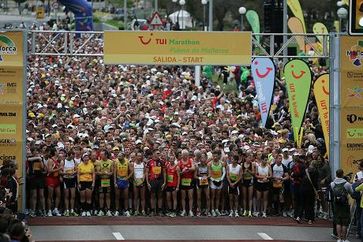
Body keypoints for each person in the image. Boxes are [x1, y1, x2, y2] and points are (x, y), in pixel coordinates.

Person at [331, 169, 353, 242]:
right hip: (344, 204)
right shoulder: (346, 184)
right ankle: (344, 239)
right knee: (344, 222)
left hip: (336, 204)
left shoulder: (332, 183)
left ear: (336, 174)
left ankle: (339, 238)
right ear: (343, 174)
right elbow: (351, 192)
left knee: (338, 221)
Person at [26, 148, 46, 217]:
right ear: (33, 152)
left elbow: (43, 167)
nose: (37, 153)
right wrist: (38, 157)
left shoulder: (41, 159)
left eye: (37, 152)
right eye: (35, 152)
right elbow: (28, 159)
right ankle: (33, 211)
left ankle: (42, 210)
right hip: (32, 178)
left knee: (41, 195)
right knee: (33, 195)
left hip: (40, 178)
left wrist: (40, 160)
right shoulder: (30, 158)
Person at [146, 149, 165, 216]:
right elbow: (147, 172)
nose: (158, 154)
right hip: (152, 181)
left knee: (160, 196)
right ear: (153, 153)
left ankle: (159, 211)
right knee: (152, 196)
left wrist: (164, 182)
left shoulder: (162, 162)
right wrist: (147, 183)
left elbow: (164, 172)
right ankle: (152, 210)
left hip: (160, 181)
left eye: (159, 153)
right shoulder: (149, 162)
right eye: (157, 153)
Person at [114, 151, 133, 216]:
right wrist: (115, 182)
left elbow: (132, 171)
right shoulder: (116, 162)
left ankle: (126, 210)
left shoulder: (127, 162)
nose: (118, 157)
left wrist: (127, 178)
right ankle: (117, 210)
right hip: (118, 180)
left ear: (123, 156)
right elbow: (114, 172)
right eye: (118, 156)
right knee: (117, 196)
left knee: (126, 196)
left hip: (125, 181)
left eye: (120, 156)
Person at [95, 150, 113, 216]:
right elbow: (97, 172)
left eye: (102, 154)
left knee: (108, 195)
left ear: (106, 155)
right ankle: (101, 210)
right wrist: (103, 173)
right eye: (100, 154)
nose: (101, 156)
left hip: (108, 180)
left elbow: (112, 172)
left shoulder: (111, 162)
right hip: (101, 180)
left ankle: (108, 210)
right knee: (101, 195)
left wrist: (108, 173)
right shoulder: (99, 162)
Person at [209, 149, 226, 217]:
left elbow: (224, 172)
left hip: (220, 181)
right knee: (213, 196)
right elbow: (209, 174)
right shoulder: (210, 164)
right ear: (212, 156)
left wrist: (221, 179)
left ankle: (216, 209)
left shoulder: (222, 163)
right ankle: (212, 210)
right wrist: (213, 180)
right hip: (213, 182)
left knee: (218, 196)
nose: (215, 157)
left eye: (216, 156)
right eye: (214, 156)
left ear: (219, 156)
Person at [61, 150, 78, 216]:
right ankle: (67, 210)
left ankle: (72, 210)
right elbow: (60, 172)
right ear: (69, 155)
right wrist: (66, 173)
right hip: (66, 180)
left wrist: (74, 172)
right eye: (72, 155)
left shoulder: (74, 161)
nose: (73, 156)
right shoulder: (63, 161)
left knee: (73, 196)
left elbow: (76, 170)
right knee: (67, 196)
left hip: (72, 180)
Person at [178, 149, 195, 217]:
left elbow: (193, 168)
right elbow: (178, 173)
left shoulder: (190, 160)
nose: (185, 156)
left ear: (188, 155)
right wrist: (182, 172)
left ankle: (190, 211)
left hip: (190, 181)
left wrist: (188, 169)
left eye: (186, 155)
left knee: (190, 196)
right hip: (183, 181)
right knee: (183, 197)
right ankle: (184, 210)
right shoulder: (179, 162)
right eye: (183, 155)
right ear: (181, 155)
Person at [45, 147, 61, 216]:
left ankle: (56, 209)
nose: (58, 152)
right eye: (57, 151)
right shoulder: (50, 160)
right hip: (50, 178)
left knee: (58, 195)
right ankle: (49, 210)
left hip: (56, 178)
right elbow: (49, 170)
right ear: (54, 152)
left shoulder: (58, 160)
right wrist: (59, 169)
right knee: (50, 196)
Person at [164, 152, 180, 217]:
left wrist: (178, 186)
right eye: (170, 159)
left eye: (173, 159)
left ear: (174, 160)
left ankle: (174, 211)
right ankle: (170, 210)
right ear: (169, 160)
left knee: (174, 198)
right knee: (168, 198)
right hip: (168, 184)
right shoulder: (167, 166)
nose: (171, 160)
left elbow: (179, 177)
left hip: (174, 185)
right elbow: (166, 175)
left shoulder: (177, 167)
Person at [195, 152, 210, 216]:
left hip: (206, 183)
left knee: (208, 197)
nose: (202, 159)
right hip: (199, 183)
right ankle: (199, 210)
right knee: (199, 197)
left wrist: (206, 177)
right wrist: (200, 178)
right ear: (199, 158)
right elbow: (194, 176)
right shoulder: (197, 166)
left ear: (206, 158)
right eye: (201, 157)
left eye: (204, 157)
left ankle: (208, 210)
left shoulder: (208, 166)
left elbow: (210, 175)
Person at [132, 150, 146, 216]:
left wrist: (142, 181)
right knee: (136, 197)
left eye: (140, 156)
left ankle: (143, 210)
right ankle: (136, 210)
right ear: (136, 156)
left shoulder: (143, 164)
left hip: (142, 182)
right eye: (138, 156)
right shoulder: (133, 164)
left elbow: (144, 173)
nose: (139, 157)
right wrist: (136, 181)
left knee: (143, 197)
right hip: (135, 182)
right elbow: (133, 173)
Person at [241, 152, 255, 217]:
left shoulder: (252, 164)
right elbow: (241, 174)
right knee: (244, 197)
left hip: (250, 181)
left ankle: (249, 211)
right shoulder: (242, 164)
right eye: (248, 158)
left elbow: (253, 173)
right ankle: (244, 211)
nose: (249, 159)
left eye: (250, 158)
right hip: (244, 181)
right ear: (245, 158)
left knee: (250, 197)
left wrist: (248, 171)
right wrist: (244, 172)